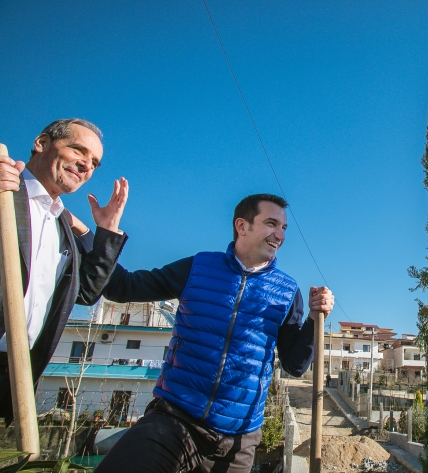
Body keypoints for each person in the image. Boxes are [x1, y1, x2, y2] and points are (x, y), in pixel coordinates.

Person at [94, 193, 334, 473]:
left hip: (237, 441)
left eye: (283, 228)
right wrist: (103, 236)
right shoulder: (198, 268)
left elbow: (296, 365)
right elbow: (123, 286)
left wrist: (314, 320)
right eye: (271, 223)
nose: (279, 234)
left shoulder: (287, 291)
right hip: (173, 419)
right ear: (242, 226)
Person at [0, 118, 128, 422]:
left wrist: (105, 232)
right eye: (78, 151)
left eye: (94, 162)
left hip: (16, 372)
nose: (87, 165)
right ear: (42, 143)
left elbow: (85, 293)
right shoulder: (6, 192)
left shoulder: (62, 226)